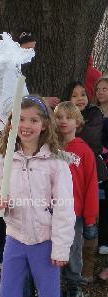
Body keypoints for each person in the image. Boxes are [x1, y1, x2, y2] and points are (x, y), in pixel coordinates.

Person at [0, 95, 75, 297]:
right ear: (12, 123)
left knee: (49, 296)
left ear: (44, 124)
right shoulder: (4, 158)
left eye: (34, 120)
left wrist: (61, 248)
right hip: (15, 237)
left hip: (45, 240)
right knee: (8, 294)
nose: (26, 125)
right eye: (21, 119)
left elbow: (65, 208)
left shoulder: (56, 161)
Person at [0, 28, 59, 269]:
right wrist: (38, 104)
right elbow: (9, 105)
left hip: (13, 130)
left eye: (33, 48)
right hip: (6, 133)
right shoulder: (7, 69)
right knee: (7, 191)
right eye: (28, 48)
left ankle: (5, 250)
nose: (32, 53)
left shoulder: (14, 69)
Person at [61, 81, 108, 282]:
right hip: (70, 179)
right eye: (74, 95)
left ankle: (86, 270)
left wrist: (70, 129)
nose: (80, 98)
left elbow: (90, 138)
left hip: (94, 175)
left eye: (83, 94)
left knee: (90, 225)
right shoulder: (65, 120)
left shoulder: (95, 114)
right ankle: (69, 271)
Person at [54, 101, 99, 297]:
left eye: (68, 117)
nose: (63, 121)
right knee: (50, 249)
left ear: (77, 122)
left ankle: (74, 286)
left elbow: (91, 187)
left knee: (72, 250)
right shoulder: (48, 148)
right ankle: (51, 285)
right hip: (50, 210)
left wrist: (90, 218)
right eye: (59, 117)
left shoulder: (84, 152)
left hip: (75, 213)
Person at [93, 77, 108, 255]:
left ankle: (104, 241)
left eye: (105, 88)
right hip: (96, 163)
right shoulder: (93, 113)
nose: (101, 92)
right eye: (98, 89)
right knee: (98, 201)